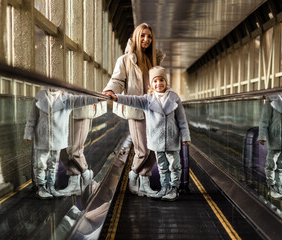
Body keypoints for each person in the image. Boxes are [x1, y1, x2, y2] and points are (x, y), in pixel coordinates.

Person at [103, 23, 165, 196]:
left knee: (154, 148)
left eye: (149, 36)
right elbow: (118, 80)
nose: (146, 39)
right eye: (143, 35)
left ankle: (144, 181)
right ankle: (133, 175)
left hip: (154, 110)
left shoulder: (154, 60)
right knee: (142, 150)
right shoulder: (125, 60)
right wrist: (110, 90)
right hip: (136, 110)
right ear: (136, 37)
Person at [110, 66, 190, 201]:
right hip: (156, 140)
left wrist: (185, 137)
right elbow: (132, 100)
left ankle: (173, 189)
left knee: (174, 165)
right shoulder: (148, 100)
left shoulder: (174, 98)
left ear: (166, 82)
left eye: (161, 80)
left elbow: (182, 119)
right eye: (155, 81)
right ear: (151, 85)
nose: (159, 84)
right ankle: (164, 188)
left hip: (172, 139)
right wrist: (116, 97)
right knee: (162, 167)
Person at [24, 88, 99, 199]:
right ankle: (41, 188)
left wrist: (98, 98)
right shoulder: (40, 96)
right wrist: (28, 134)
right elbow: (32, 118)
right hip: (42, 137)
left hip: (57, 138)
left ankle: (51, 187)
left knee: (53, 164)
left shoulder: (66, 98)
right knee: (40, 163)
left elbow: (82, 100)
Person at [59, 101, 106, 196]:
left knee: (74, 149)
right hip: (63, 109)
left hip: (80, 108)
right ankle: (85, 175)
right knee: (62, 148)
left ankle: (76, 181)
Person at [258, 94, 282, 199]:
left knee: (281, 165)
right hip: (274, 136)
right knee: (271, 163)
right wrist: (262, 136)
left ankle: (278, 186)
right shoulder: (271, 99)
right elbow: (264, 120)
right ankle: (271, 186)